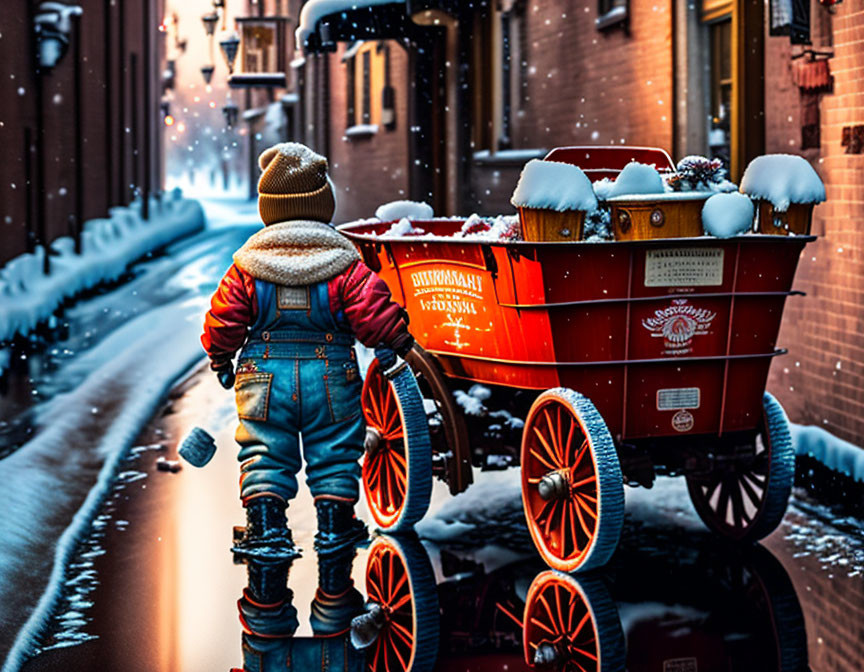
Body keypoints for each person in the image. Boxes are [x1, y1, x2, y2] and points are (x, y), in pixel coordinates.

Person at [201, 142, 413, 629]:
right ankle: (336, 535)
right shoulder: (343, 262)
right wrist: (397, 338)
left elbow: (225, 316)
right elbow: (371, 310)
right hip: (329, 374)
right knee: (335, 453)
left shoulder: (249, 266)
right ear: (324, 204)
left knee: (264, 453)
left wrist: (219, 353)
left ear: (267, 209)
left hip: (264, 378)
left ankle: (267, 527)